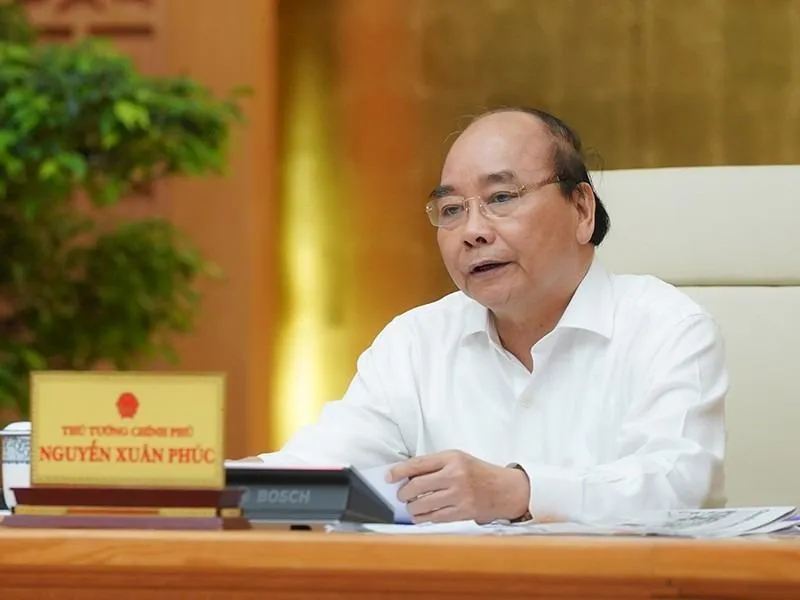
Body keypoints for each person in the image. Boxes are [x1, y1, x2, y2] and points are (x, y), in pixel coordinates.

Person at [251, 107, 728, 525]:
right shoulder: (415, 342)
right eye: (451, 209)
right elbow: (320, 468)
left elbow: (679, 484)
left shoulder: (665, 327)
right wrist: (220, 486)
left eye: (501, 198)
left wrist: (516, 492)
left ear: (582, 209)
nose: (472, 231)